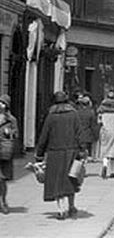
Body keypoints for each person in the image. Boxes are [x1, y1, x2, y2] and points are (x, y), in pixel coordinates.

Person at [35, 91, 82, 220]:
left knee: (57, 182)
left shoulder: (51, 116)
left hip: (55, 153)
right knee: (71, 179)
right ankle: (72, 206)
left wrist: (39, 154)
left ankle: (61, 210)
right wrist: (82, 150)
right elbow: (79, 133)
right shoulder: (73, 114)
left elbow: (44, 136)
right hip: (71, 151)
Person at [97, 91, 114, 179]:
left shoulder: (102, 112)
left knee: (105, 150)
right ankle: (112, 171)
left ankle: (105, 165)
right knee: (113, 151)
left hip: (105, 131)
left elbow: (99, 122)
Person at [0, 94, 19, 215]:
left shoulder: (11, 119)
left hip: (4, 152)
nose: (0, 105)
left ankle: (3, 201)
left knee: (2, 179)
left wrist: (10, 132)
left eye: (2, 103)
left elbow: (16, 134)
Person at [75, 95, 98, 163]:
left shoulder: (77, 112)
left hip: (79, 133)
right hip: (88, 133)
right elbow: (93, 125)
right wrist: (95, 135)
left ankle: (82, 158)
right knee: (88, 147)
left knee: (81, 148)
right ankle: (88, 158)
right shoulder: (91, 113)